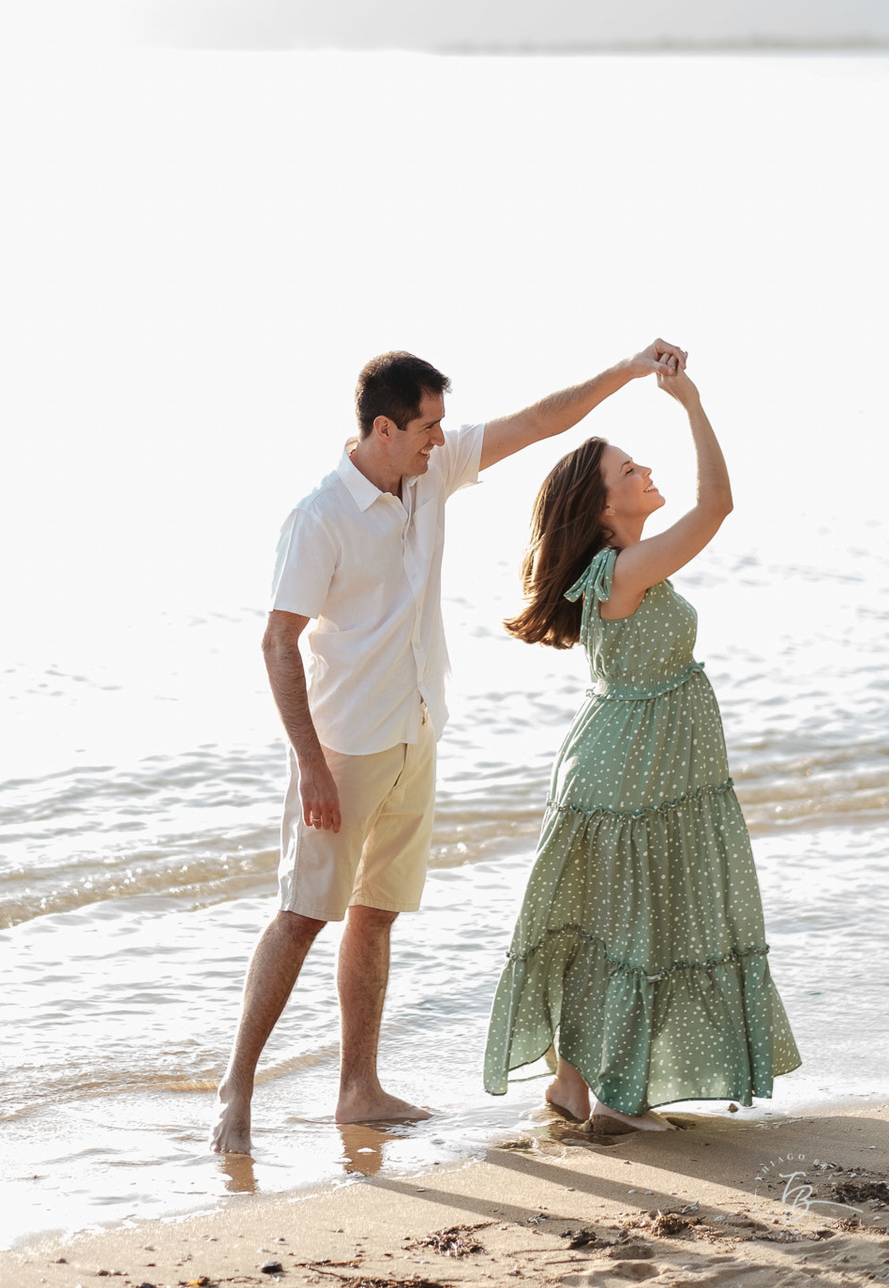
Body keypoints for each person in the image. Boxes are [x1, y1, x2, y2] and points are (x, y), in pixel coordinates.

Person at [210, 339, 688, 1157]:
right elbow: (277, 644)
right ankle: (237, 1089)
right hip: (344, 750)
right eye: (428, 425)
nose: (441, 438)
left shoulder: (428, 475)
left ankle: (357, 1090)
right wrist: (310, 765)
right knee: (300, 917)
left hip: (415, 730)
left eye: (441, 425)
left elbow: (538, 423)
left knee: (376, 914)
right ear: (385, 427)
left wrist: (625, 371)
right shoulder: (318, 517)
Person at [483, 364, 800, 1132]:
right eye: (629, 470)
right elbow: (717, 505)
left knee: (610, 928)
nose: (645, 470)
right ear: (602, 507)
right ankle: (621, 1103)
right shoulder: (622, 569)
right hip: (629, 775)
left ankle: (572, 1086)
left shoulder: (620, 570)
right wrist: (691, 401)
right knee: (632, 929)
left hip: (629, 768)